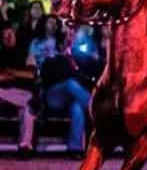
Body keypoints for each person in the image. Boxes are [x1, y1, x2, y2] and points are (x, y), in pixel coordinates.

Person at [27, 15, 90, 157]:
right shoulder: (36, 43)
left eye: (55, 23)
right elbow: (30, 63)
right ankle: (95, 108)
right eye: (50, 22)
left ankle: (75, 148)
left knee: (77, 106)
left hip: (66, 89)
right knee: (70, 85)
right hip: (49, 90)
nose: (53, 25)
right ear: (43, 24)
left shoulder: (61, 43)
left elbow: (74, 59)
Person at [0, 24, 36, 155]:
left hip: (22, 92)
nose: (8, 38)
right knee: (28, 103)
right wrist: (18, 74)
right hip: (4, 93)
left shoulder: (25, 53)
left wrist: (9, 72)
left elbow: (30, 75)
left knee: (27, 110)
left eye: (10, 34)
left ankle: (25, 146)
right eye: (5, 36)